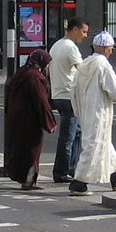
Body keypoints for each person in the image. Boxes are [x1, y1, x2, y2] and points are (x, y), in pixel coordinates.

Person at [69, 30, 116, 195]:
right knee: (94, 145)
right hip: (99, 112)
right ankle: (79, 183)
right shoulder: (103, 65)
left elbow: (73, 90)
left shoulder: (84, 64)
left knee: (103, 142)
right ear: (105, 48)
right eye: (111, 48)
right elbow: (114, 90)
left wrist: (78, 109)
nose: (112, 51)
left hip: (86, 110)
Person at [3, 49, 56, 190]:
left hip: (16, 117)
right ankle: (28, 180)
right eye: (47, 64)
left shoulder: (21, 72)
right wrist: (49, 122)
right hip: (29, 119)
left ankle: (24, 179)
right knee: (32, 150)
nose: (48, 67)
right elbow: (41, 100)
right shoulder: (35, 77)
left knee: (20, 148)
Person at [48, 17, 88, 183]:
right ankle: (61, 172)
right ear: (75, 29)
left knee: (77, 133)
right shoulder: (71, 47)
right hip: (69, 96)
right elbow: (83, 70)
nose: (85, 35)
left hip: (58, 94)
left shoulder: (56, 45)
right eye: (84, 31)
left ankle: (72, 168)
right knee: (68, 137)